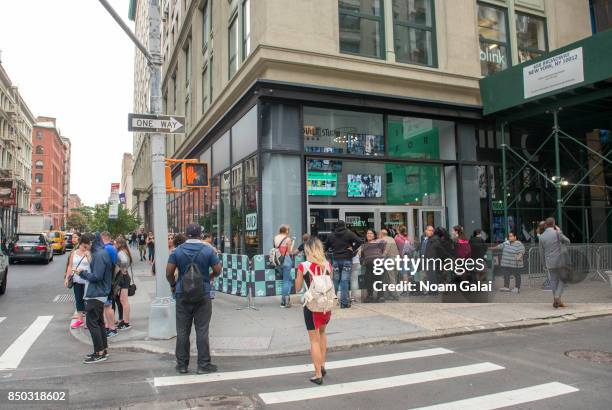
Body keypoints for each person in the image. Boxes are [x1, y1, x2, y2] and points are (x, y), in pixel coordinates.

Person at [166, 223, 221, 374]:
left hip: (182, 294)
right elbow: (218, 270)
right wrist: (208, 277)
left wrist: (173, 284)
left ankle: (182, 365)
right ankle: (203, 365)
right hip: (202, 294)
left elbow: (169, 273)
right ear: (200, 235)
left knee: (182, 330)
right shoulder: (208, 250)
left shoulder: (177, 251)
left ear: (186, 234)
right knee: (202, 330)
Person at [294, 237, 332, 385]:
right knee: (322, 334)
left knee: (313, 340)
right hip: (325, 306)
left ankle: (317, 374)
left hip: (311, 306)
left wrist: (299, 276)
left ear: (307, 250)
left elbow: (297, 288)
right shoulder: (327, 265)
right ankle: (322, 366)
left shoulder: (303, 266)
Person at [76, 233, 113, 363]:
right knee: (99, 322)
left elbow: (97, 276)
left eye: (85, 245)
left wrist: (82, 273)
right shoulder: (101, 252)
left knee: (92, 323)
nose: (84, 248)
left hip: (97, 292)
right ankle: (103, 349)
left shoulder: (98, 255)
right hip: (101, 292)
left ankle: (99, 352)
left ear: (90, 242)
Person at [324, 220, 363, 308]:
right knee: (344, 281)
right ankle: (344, 303)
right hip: (347, 259)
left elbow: (325, 247)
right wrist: (353, 248)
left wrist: (331, 251)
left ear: (336, 226)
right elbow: (360, 241)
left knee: (335, 280)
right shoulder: (349, 233)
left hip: (336, 260)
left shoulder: (331, 235)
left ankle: (332, 301)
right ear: (344, 225)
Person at [538, 217, 571, 308]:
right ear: (554, 224)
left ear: (546, 225)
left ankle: (556, 300)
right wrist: (560, 231)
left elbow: (541, 252)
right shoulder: (557, 233)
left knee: (553, 280)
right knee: (562, 279)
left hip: (549, 262)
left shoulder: (541, 237)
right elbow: (568, 241)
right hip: (560, 261)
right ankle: (557, 296)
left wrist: (544, 264)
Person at [65, 234, 92, 329]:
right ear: (80, 244)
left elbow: (92, 265)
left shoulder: (89, 252)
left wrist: (88, 256)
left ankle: (88, 322)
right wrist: (67, 277)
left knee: (87, 301)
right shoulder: (74, 253)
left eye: (86, 245)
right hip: (76, 280)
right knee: (78, 300)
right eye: (83, 245)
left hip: (87, 280)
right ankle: (80, 320)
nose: (84, 247)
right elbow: (70, 266)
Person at [358, 229, 385, 303]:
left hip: (378, 263)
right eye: (368, 233)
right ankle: (370, 296)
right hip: (369, 265)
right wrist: (362, 262)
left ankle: (380, 296)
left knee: (378, 279)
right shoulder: (364, 245)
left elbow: (383, 243)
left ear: (374, 235)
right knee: (368, 280)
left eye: (371, 233)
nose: (369, 235)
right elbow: (362, 255)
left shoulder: (378, 242)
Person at [100, 232, 119, 338]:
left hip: (107, 281)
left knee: (108, 306)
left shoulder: (107, 249)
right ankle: (109, 326)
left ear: (103, 238)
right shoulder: (111, 248)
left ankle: (112, 328)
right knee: (107, 305)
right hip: (110, 280)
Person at [274, 225, 295, 308]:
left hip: (277, 260)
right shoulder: (288, 239)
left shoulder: (275, 237)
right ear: (286, 231)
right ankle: (284, 301)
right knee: (286, 280)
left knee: (289, 279)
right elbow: (289, 251)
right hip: (286, 260)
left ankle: (287, 298)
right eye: (288, 230)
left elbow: (276, 248)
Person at [114, 237, 133, 330]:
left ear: (119, 244)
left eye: (115, 243)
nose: (114, 245)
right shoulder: (125, 251)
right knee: (123, 300)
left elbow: (124, 262)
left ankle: (126, 322)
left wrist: (122, 269)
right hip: (125, 276)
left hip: (123, 277)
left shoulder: (121, 252)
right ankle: (124, 321)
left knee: (124, 301)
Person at [379, 229, 399, 301]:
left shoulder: (384, 239)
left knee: (391, 278)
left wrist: (380, 258)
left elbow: (386, 251)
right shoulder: (392, 239)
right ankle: (390, 294)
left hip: (390, 260)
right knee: (394, 278)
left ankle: (395, 295)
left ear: (381, 234)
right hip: (397, 260)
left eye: (379, 234)